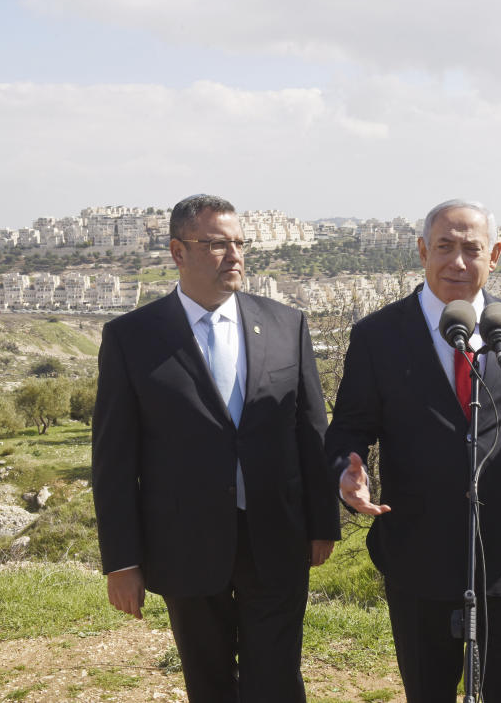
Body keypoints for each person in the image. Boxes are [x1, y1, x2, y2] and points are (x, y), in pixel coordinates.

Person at [325, 199, 501, 703]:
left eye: (471, 249)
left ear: (493, 254)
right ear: (422, 251)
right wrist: (348, 468)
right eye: (444, 247)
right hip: (416, 553)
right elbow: (349, 427)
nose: (457, 262)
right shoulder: (378, 336)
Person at [92, 194, 340, 702]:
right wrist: (122, 561)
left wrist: (322, 523)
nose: (234, 256)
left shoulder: (285, 323)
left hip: (276, 536)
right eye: (216, 244)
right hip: (184, 544)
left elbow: (310, 431)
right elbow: (114, 460)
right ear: (178, 252)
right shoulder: (131, 338)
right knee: (208, 682)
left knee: (276, 679)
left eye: (239, 244)